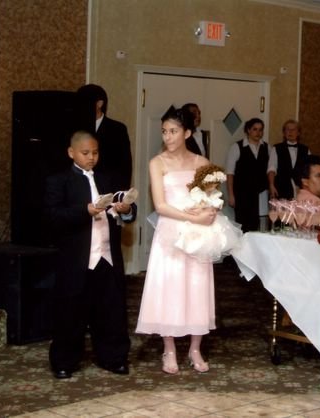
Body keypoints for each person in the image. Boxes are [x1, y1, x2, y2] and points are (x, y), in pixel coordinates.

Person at [45, 130, 136, 379]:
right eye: (85, 153)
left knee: (110, 309)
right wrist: (83, 211)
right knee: (70, 311)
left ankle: (114, 357)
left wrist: (126, 209)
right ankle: (64, 361)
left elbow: (129, 211)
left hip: (107, 256)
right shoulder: (59, 181)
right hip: (76, 259)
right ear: (71, 152)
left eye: (95, 152)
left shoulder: (108, 178)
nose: (91, 157)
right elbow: (52, 217)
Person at [136, 108, 217, 375]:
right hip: (171, 231)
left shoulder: (202, 162)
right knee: (169, 287)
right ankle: (169, 348)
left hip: (198, 235)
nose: (167, 137)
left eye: (173, 131)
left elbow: (212, 198)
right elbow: (160, 205)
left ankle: (195, 348)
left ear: (187, 133)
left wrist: (208, 211)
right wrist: (192, 217)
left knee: (197, 286)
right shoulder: (157, 163)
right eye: (164, 131)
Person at [173, 163, 242, 262]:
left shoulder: (215, 193)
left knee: (214, 235)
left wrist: (214, 206)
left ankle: (205, 254)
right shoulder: (197, 192)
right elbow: (197, 204)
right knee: (196, 236)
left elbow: (217, 204)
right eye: (211, 184)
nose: (213, 187)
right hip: (199, 217)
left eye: (216, 184)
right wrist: (204, 207)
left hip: (210, 217)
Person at [76, 84, 132, 191]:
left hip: (108, 189)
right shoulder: (75, 128)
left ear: (99, 104)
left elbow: (124, 165)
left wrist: (121, 194)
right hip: (79, 189)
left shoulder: (117, 129)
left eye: (85, 101)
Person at [225, 117, 270, 232]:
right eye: (255, 129)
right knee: (243, 226)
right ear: (248, 130)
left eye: (260, 130)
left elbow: (270, 170)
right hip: (242, 194)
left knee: (260, 226)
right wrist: (231, 195)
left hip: (261, 194)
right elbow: (230, 173)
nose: (258, 132)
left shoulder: (267, 147)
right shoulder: (237, 147)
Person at [267, 119, 310, 199]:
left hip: (300, 189)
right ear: (284, 133)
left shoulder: (306, 150)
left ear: (298, 133)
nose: (290, 132)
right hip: (281, 188)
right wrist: (271, 185)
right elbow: (271, 168)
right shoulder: (276, 148)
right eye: (288, 129)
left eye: (293, 129)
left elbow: (309, 170)